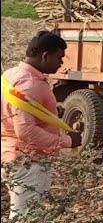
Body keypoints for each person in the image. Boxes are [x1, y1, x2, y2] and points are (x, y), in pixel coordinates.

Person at [2, 31, 82, 220]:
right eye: (59, 57)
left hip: (10, 154)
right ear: (45, 56)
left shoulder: (10, 75)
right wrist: (67, 141)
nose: (61, 63)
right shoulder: (31, 85)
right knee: (27, 217)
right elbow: (26, 131)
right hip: (27, 162)